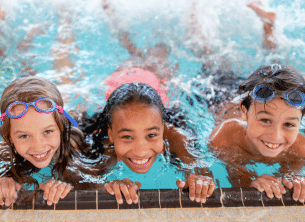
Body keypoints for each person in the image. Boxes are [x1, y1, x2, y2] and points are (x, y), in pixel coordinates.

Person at [81, 82, 216, 205]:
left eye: (151, 135)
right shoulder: (101, 144)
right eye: (127, 137)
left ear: (162, 129)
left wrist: (199, 182)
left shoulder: (177, 137)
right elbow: (90, 186)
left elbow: (201, 172)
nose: (141, 152)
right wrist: (109, 186)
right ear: (111, 134)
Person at [0, 77, 95, 207]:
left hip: (80, 123)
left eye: (48, 132)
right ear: (9, 137)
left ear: (61, 127)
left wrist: (69, 187)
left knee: (71, 88)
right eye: (24, 136)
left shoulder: (75, 143)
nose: (38, 147)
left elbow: (94, 187)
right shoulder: (3, 151)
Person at [209, 64, 305, 201]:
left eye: (289, 124)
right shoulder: (224, 139)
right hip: (220, 92)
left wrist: (295, 182)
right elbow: (236, 173)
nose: (275, 136)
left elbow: (289, 178)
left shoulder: (300, 151)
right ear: (244, 112)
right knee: (214, 65)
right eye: (265, 120)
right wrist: (250, 183)